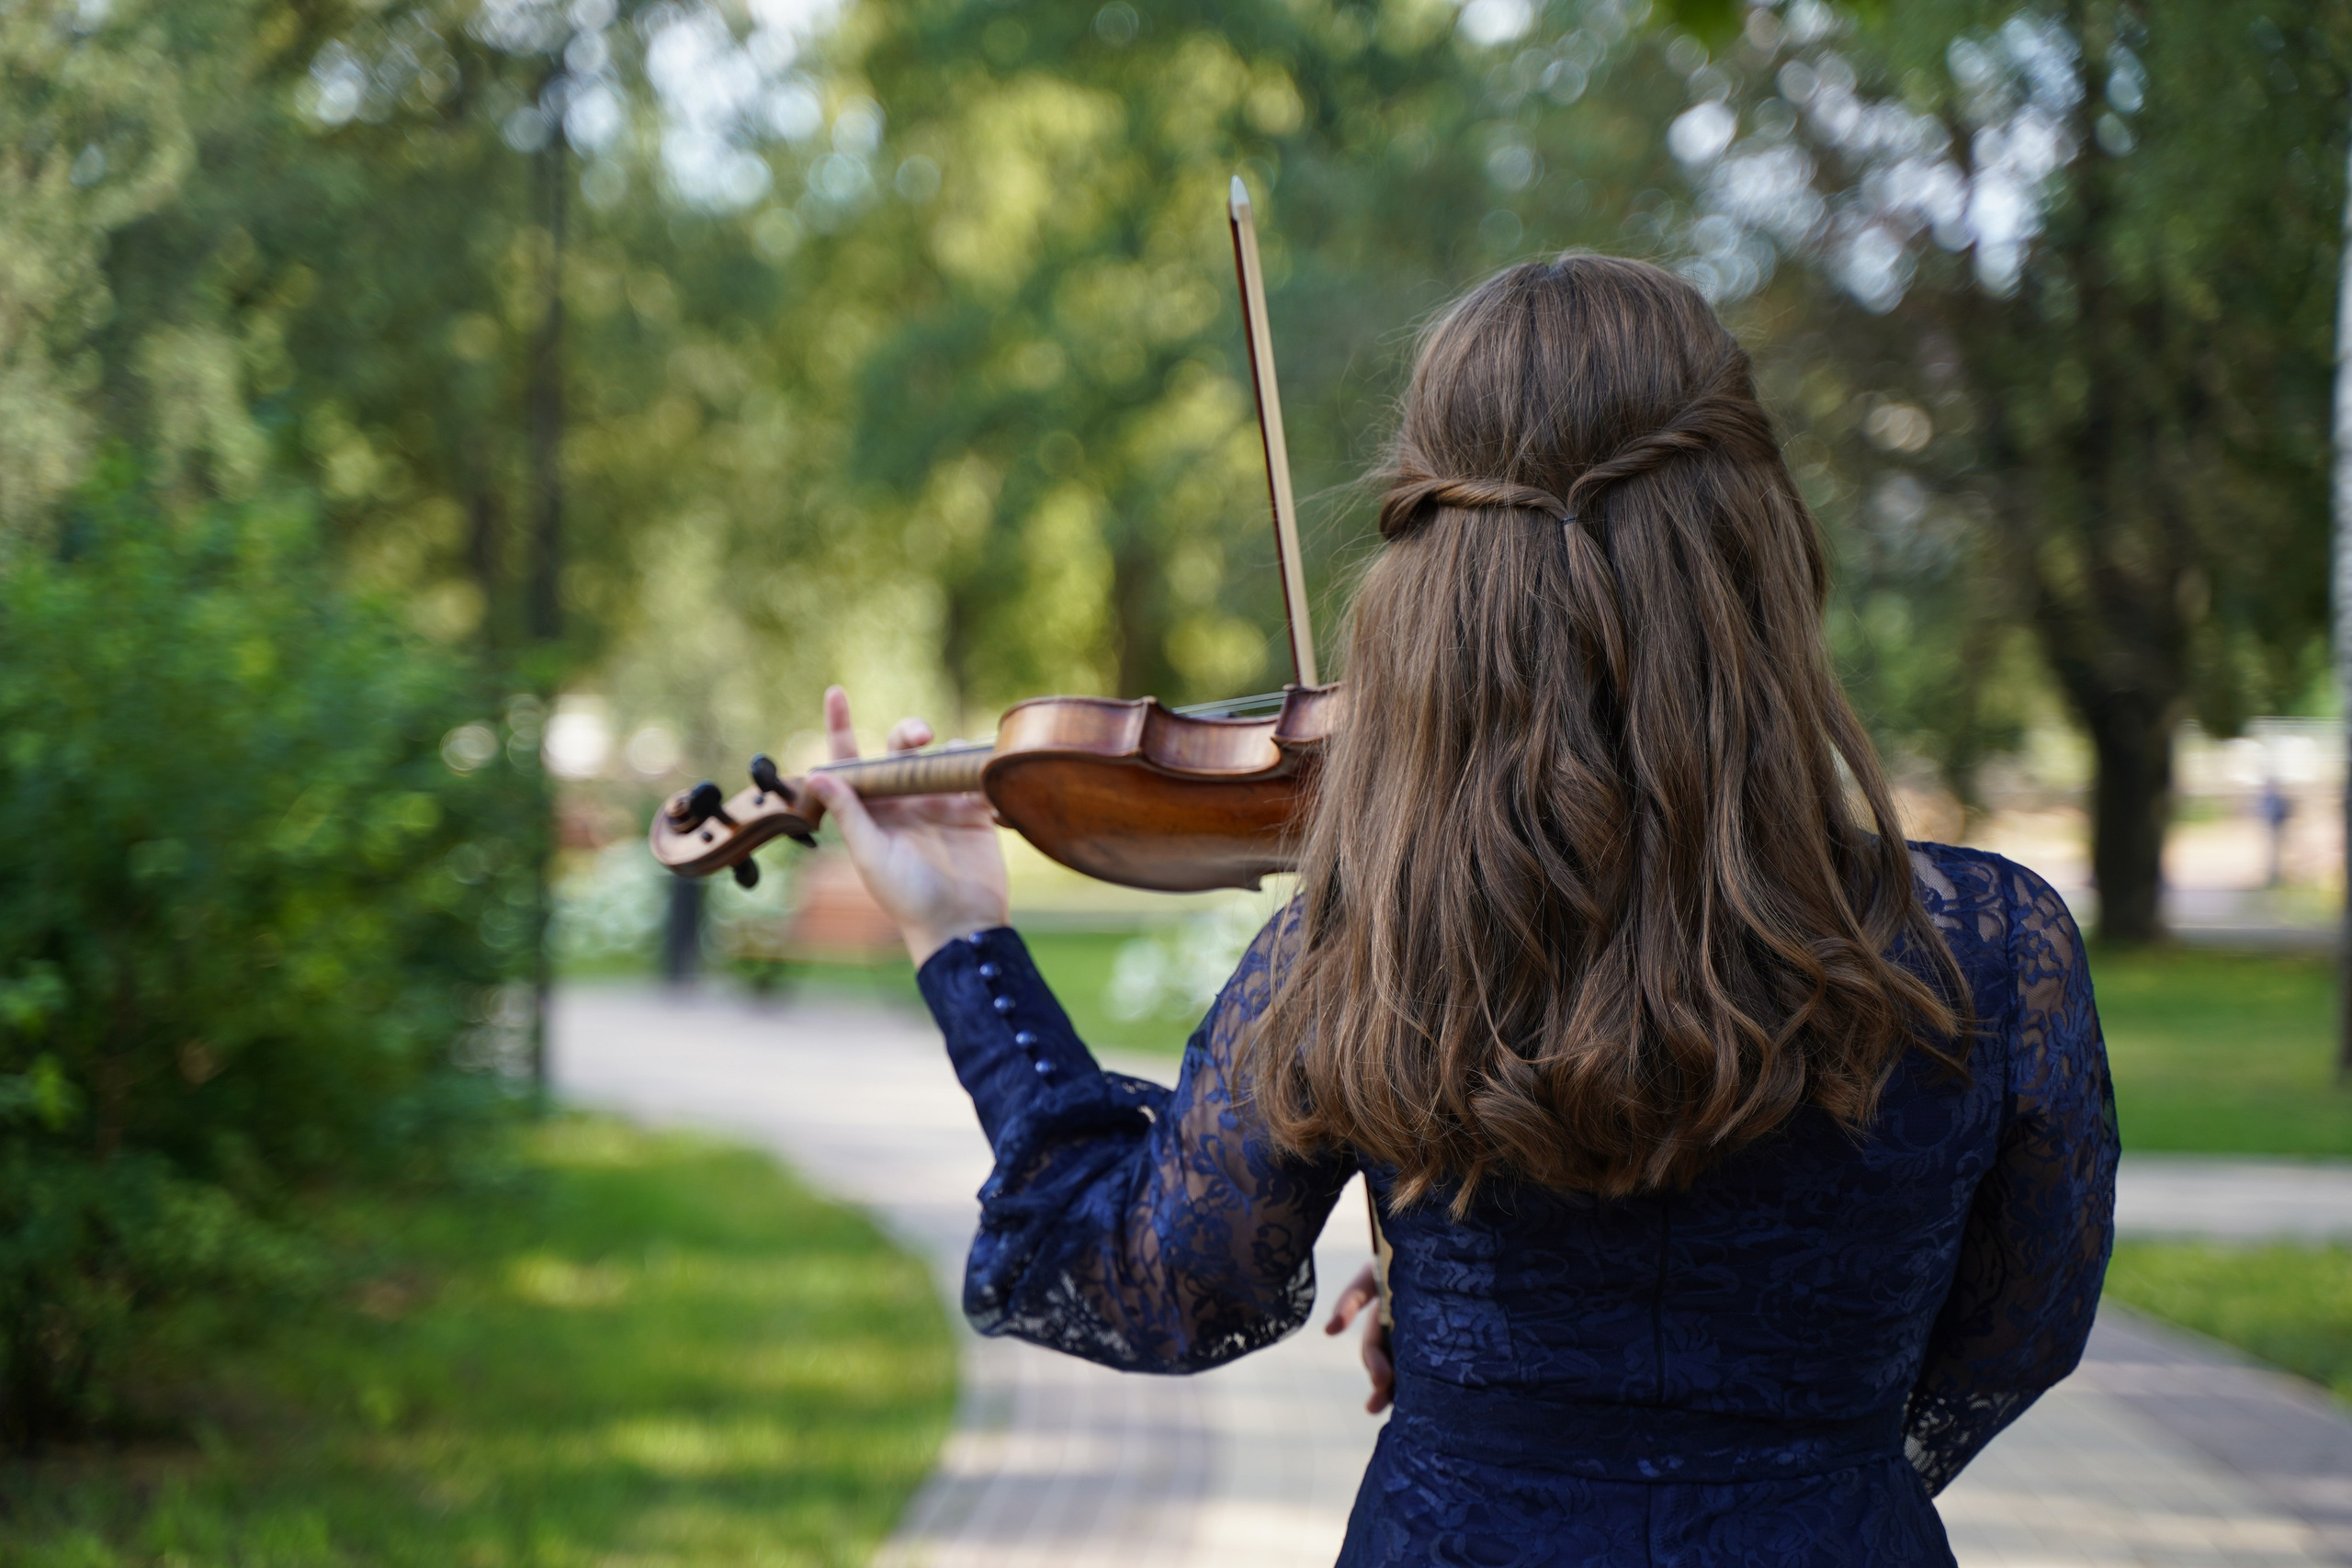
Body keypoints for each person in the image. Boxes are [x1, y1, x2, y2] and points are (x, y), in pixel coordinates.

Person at [804, 254, 2118, 1566]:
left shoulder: (1365, 942)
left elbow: (1156, 1284)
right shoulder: (1997, 951)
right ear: (1763, 551)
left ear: (1432, 586)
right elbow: (2017, 1334)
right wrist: (1801, 1456)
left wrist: (962, 938)